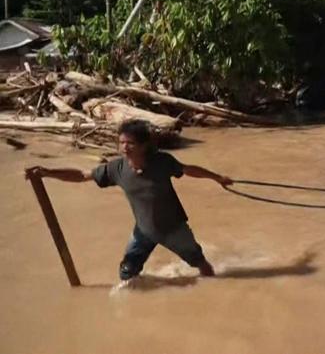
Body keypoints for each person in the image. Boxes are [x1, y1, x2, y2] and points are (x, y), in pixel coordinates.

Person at [25, 119, 233, 284]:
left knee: (201, 265)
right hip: (144, 230)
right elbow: (81, 175)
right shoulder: (117, 169)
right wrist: (48, 172)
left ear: (143, 146)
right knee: (127, 273)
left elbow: (188, 170)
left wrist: (218, 178)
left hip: (173, 228)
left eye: (130, 143)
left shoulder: (162, 162)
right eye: (122, 142)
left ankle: (215, 290)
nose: (125, 148)